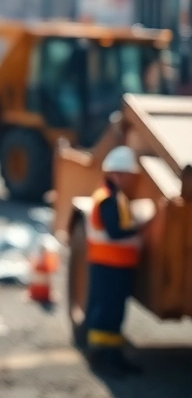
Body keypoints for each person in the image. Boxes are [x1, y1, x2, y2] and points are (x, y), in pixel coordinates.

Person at [83, 146, 150, 376]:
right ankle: (104, 359)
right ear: (117, 173)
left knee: (113, 313)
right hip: (108, 265)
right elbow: (115, 232)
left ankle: (110, 356)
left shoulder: (115, 197)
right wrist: (140, 226)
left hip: (116, 265)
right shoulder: (107, 200)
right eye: (127, 175)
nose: (129, 180)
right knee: (108, 314)